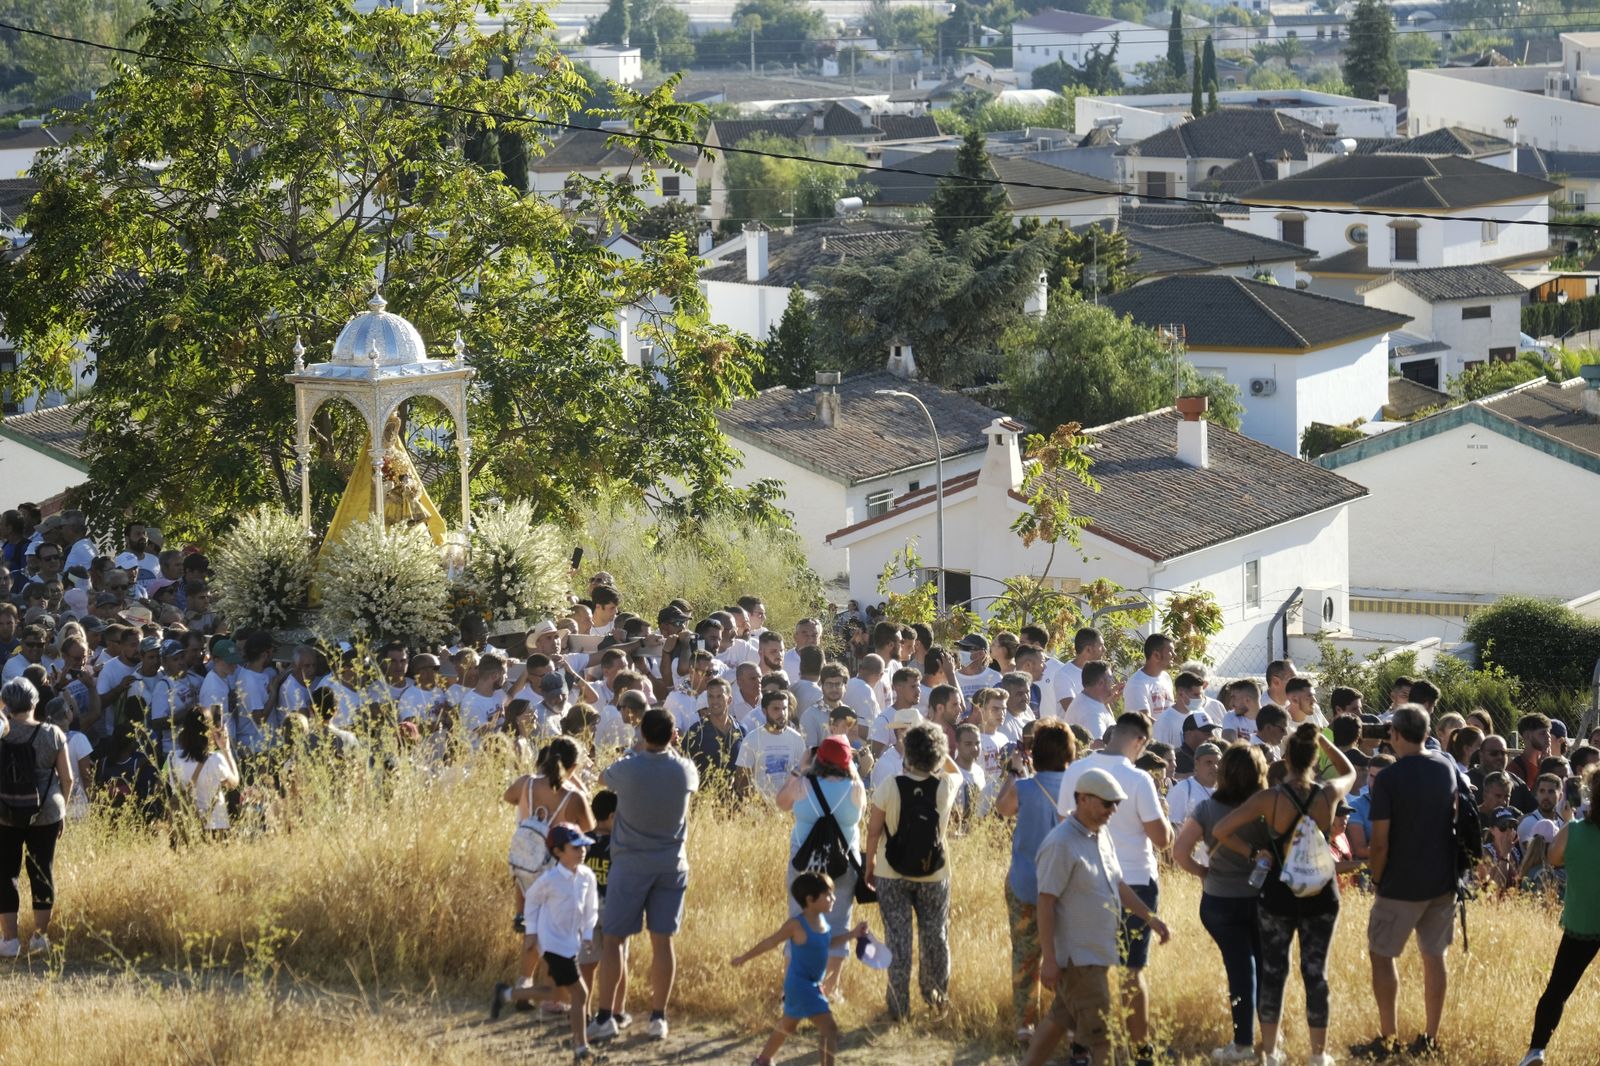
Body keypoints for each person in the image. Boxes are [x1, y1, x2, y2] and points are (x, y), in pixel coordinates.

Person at [1215, 724, 1357, 1066]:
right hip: (1321, 894)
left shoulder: (1271, 798)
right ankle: (1318, 1054)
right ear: (1314, 757)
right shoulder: (1328, 795)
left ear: (1285, 757)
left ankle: (1270, 1052)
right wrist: (1323, 739)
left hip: (1278, 893)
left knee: (1274, 971)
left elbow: (1221, 830)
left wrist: (1254, 853)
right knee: (1315, 973)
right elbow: (1349, 771)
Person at [1022, 767, 1172, 1066]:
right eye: (1106, 803)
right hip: (1079, 960)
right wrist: (1050, 960)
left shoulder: (1100, 835)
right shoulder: (1060, 843)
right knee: (1103, 1037)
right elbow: (1045, 902)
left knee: (1057, 1022)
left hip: (1098, 955)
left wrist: (1150, 918)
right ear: (1083, 799)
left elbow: (1117, 884)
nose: (1112, 810)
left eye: (1115, 804)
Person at [1057, 712, 1172, 1066]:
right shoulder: (1138, 779)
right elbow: (1163, 840)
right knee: (1131, 972)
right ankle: (1141, 1051)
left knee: (1086, 969)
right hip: (1135, 878)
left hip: (1085, 879)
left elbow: (1065, 823)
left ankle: (1081, 1047)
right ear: (1139, 741)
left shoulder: (1076, 770)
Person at [1352, 704, 1462, 1061]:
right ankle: (1431, 1037)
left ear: (1395, 735)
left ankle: (1388, 1039)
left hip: (1402, 883)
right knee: (1435, 956)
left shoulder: (1388, 780)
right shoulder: (1445, 765)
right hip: (1443, 880)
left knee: (1382, 955)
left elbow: (1380, 841)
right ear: (1427, 732)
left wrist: (1378, 877)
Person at [591, 709, 698, 1043]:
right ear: (671, 735)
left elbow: (601, 779)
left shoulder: (628, 769)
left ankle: (607, 1015)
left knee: (614, 940)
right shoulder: (684, 769)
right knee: (662, 941)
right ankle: (657, 1017)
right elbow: (683, 770)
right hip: (670, 862)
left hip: (630, 864)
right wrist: (671, 747)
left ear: (642, 734)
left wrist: (638, 748)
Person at [1173, 743, 1270, 1063]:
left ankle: (1242, 1044)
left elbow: (1179, 853)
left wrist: (1203, 872)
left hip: (1220, 900)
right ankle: (1271, 1038)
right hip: (1262, 898)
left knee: (1241, 969)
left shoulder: (1208, 809)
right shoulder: (1267, 806)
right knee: (1267, 968)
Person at [863, 720, 958, 1021]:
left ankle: (898, 1007)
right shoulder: (946, 784)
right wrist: (939, 747)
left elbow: (873, 831)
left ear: (907, 752)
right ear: (937, 754)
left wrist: (870, 866)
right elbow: (953, 767)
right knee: (935, 936)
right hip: (934, 873)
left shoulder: (890, 785)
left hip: (891, 874)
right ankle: (936, 999)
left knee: (898, 938)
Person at [730, 871, 867, 1066]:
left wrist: (853, 934)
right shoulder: (797, 925)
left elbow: (826, 943)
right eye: (828, 895)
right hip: (801, 985)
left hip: (809, 984)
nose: (833, 898)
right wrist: (744, 957)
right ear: (810, 900)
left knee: (787, 1024)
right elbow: (771, 942)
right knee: (830, 1030)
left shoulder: (822, 921)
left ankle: (762, 1061)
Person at [993, 719, 1075, 1044]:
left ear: (1034, 753)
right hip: (1066, 886)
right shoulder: (1078, 788)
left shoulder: (1025, 787)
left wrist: (1014, 770)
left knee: (1025, 955)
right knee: (1066, 956)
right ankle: (1066, 1025)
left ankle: (1025, 1025)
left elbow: (1002, 808)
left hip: (1025, 882)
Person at [490, 823, 600, 1061]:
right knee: (580, 994)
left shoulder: (587, 877)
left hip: (572, 943)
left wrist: (589, 936)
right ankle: (581, 1050)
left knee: (555, 992)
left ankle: (506, 994)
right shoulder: (549, 879)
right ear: (558, 851)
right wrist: (531, 933)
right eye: (575, 847)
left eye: (584, 846)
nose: (582, 851)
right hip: (552, 943)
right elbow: (531, 900)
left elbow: (591, 910)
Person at [1518, 764, 1600, 1066]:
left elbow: (1553, 858)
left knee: (1557, 989)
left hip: (1582, 922)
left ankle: (1536, 1051)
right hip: (1584, 922)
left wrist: (1569, 821)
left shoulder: (1573, 830)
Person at [776, 735, 865, 997]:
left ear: (818, 759)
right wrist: (852, 767)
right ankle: (829, 990)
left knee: (799, 923)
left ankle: (793, 988)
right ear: (847, 762)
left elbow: (781, 802)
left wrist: (800, 767)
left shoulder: (803, 784)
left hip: (804, 865)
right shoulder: (855, 787)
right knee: (838, 925)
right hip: (842, 865)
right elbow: (861, 809)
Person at [0, 677, 72, 957]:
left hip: (5, 812)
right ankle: (40, 939)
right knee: (42, 870)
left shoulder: (2, 733)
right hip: (45, 812)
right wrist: (61, 810)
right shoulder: (52, 733)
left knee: (6, 873)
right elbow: (67, 778)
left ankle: (9, 940)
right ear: (35, 702)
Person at [165, 705, 240, 837]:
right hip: (214, 827)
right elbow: (233, 783)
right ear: (208, 730)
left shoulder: (172, 758)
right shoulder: (216, 759)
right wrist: (225, 749)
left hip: (184, 829)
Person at [736, 691, 806, 804]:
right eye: (776, 709)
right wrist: (758, 804)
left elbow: (803, 777)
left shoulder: (797, 739)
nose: (782, 713)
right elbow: (741, 781)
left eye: (784, 708)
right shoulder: (752, 739)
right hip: (760, 812)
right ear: (764, 711)